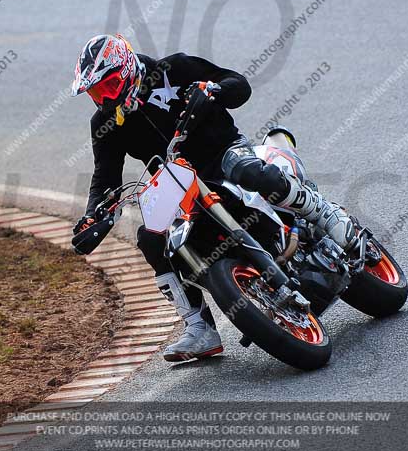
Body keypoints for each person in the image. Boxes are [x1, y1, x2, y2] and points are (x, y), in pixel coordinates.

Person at [71, 34, 356, 361]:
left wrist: (214, 91)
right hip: (176, 178)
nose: (102, 98)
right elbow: (104, 175)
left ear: (126, 70)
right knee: (150, 238)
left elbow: (239, 84)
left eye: (106, 87)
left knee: (249, 171)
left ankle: (327, 216)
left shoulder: (173, 68)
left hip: (221, 151)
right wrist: (93, 214)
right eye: (94, 92)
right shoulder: (104, 121)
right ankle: (198, 327)